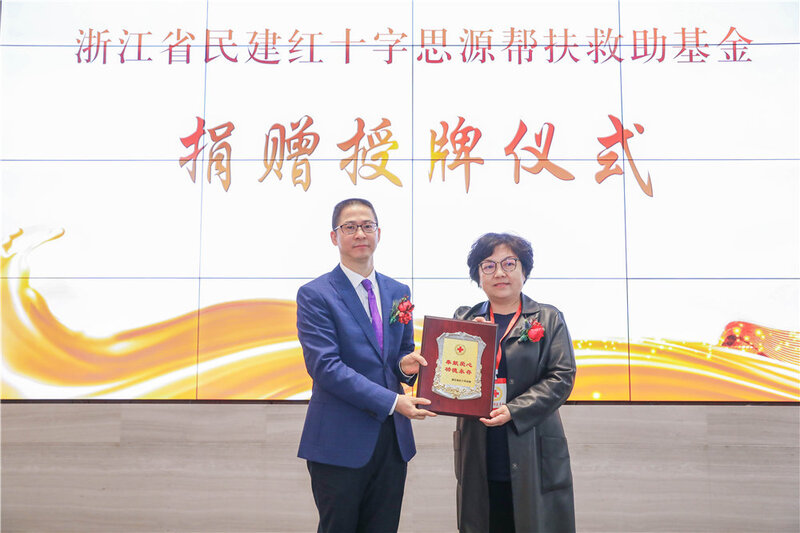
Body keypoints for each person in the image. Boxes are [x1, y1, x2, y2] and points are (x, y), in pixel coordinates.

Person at [296, 198, 436, 533]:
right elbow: (325, 367)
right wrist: (393, 401)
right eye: (350, 227)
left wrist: (405, 366)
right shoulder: (315, 294)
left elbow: (399, 354)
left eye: (367, 226)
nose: (360, 233)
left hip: (391, 441)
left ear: (378, 233)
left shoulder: (398, 291)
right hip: (339, 440)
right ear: (335, 237)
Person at [453, 232, 576, 533]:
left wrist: (514, 410)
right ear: (478, 275)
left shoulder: (548, 318)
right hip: (481, 446)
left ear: (524, 270)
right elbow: (452, 379)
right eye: (489, 265)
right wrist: (472, 341)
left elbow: (561, 376)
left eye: (509, 263)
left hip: (532, 445)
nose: (499, 273)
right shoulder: (465, 319)